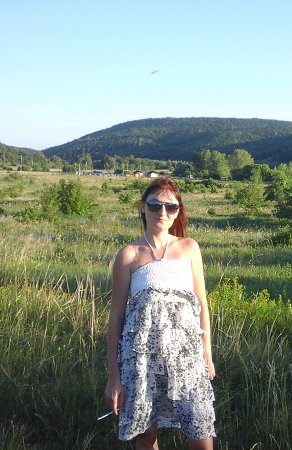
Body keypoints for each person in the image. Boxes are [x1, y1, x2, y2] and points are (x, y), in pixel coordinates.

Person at [105, 177, 216, 450]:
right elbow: (116, 318)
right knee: (145, 434)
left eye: (171, 207)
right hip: (140, 361)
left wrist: (207, 353)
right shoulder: (129, 255)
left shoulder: (189, 248)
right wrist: (114, 378)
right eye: (155, 205)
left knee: (200, 431)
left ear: (178, 211)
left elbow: (202, 305)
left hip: (187, 357)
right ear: (143, 207)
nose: (162, 212)